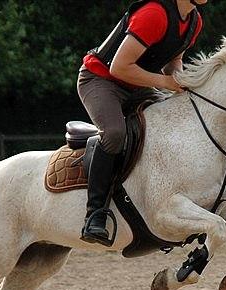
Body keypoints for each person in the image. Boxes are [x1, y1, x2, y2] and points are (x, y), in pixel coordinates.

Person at [78, 0, 206, 246]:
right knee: (115, 134)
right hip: (101, 81)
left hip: (138, 86)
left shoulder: (194, 20)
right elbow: (119, 67)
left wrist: (179, 79)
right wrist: (166, 83)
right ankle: (95, 214)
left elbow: (173, 60)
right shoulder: (154, 14)